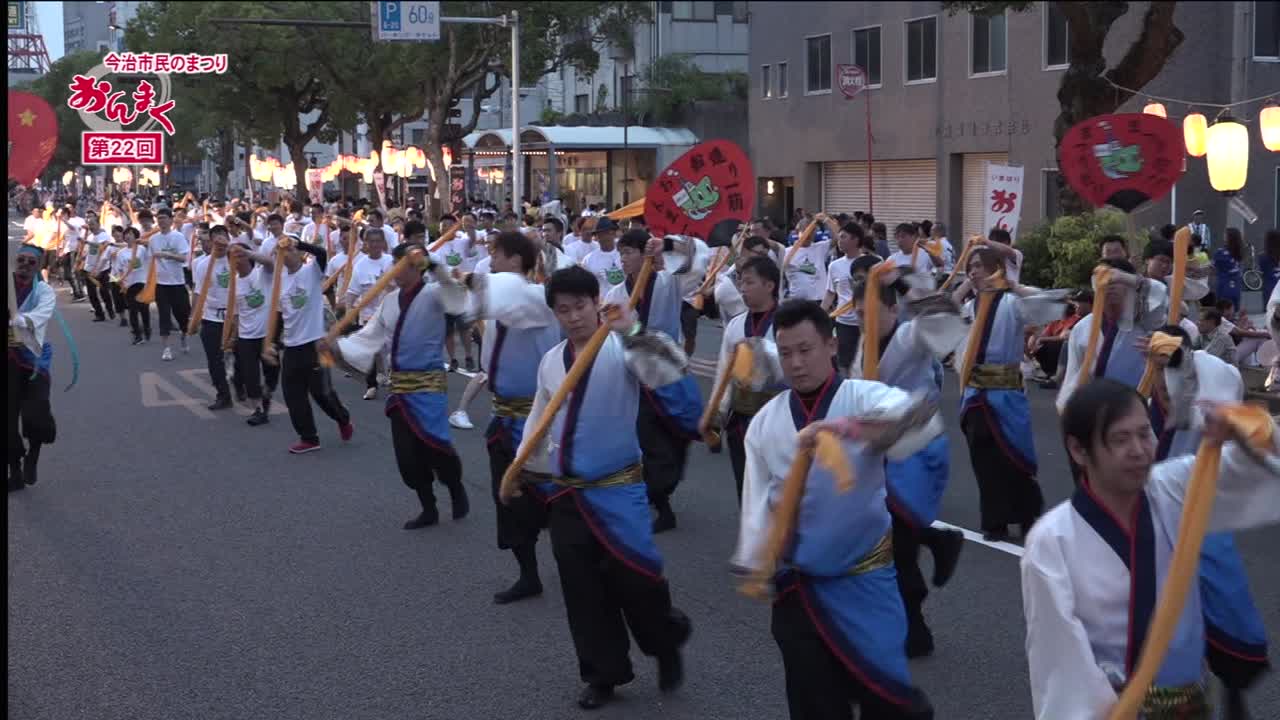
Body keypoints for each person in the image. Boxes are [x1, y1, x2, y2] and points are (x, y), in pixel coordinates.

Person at [1021, 379, 1280, 719]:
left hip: (1192, 707)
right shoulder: (1051, 541)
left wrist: (1246, 429)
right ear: (1078, 450)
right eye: (1120, 439)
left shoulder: (1173, 489)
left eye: (1145, 434)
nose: (1139, 450)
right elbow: (1061, 664)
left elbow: (1256, 470)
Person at [733, 299, 941, 720]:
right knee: (814, 704)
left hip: (865, 580)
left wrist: (846, 428)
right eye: (786, 353)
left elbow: (920, 418)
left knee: (887, 699)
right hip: (799, 588)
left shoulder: (863, 397)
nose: (796, 363)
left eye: (805, 349)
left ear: (831, 346)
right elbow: (756, 503)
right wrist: (757, 562)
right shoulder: (766, 422)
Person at [505, 264, 692, 711]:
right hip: (568, 493)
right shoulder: (552, 361)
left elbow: (669, 373)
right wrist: (521, 469)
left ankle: (665, 641)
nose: (573, 317)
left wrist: (632, 330)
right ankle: (602, 674)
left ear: (596, 303)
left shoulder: (621, 347)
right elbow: (539, 421)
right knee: (582, 590)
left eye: (581, 306)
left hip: (619, 490)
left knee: (639, 581)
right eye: (563, 309)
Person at [848, 266, 967, 659]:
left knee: (898, 544)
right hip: (879, 452)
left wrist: (903, 284)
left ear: (892, 310)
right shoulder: (864, 347)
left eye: (873, 312)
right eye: (860, 313)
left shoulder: (909, 336)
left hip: (915, 450)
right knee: (886, 534)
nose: (866, 320)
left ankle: (915, 630)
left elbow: (942, 315)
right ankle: (937, 539)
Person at [463, 231, 562, 603]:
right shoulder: (500, 303)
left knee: (556, 500)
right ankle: (528, 575)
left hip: (538, 422)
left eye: (497, 255)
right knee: (509, 501)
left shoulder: (537, 299)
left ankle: (583, 565)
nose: (490, 261)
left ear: (517, 260)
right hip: (503, 418)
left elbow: (508, 294)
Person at [954, 247, 1067, 542]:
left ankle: (1028, 516)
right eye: (970, 267)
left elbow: (1048, 304)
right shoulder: (970, 307)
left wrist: (1012, 284)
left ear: (995, 268)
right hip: (975, 393)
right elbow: (941, 311)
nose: (974, 272)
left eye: (979, 266)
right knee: (983, 459)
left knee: (1014, 456)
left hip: (1006, 393)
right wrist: (965, 285)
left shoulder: (1011, 303)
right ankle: (995, 521)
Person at [604, 231, 702, 533]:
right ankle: (660, 503)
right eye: (621, 253)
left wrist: (667, 245)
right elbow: (611, 339)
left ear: (644, 254)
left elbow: (694, 258)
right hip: (636, 379)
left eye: (629, 252)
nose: (623, 259)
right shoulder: (615, 295)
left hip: (668, 373)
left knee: (676, 437)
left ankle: (662, 489)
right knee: (647, 442)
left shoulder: (667, 282)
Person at [707, 255, 786, 498]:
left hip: (778, 418)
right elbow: (724, 371)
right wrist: (716, 412)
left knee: (778, 488)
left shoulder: (787, 322)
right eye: (741, 282)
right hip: (741, 419)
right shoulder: (735, 325)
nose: (742, 288)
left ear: (769, 285)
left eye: (749, 282)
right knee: (746, 486)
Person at [269, 233, 354, 454]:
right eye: (282, 252)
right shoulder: (279, 281)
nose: (287, 254)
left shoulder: (312, 271)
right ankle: (309, 438)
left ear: (299, 252)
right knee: (292, 394)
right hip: (292, 346)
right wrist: (273, 343)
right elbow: (279, 315)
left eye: (290, 250)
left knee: (322, 392)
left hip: (318, 343)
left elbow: (322, 253)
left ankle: (343, 418)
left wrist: (300, 243)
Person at [8, 245, 61, 492]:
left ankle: (33, 456)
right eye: (22, 260)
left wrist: (23, 320)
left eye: (32, 262)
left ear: (38, 266)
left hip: (32, 359)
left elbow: (43, 313)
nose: (25, 265)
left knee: (36, 416)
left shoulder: (43, 290)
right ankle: (15, 472)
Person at [229, 238, 279, 426]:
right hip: (246, 337)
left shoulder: (262, 274)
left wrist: (247, 251)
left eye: (239, 256)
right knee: (250, 375)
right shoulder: (234, 284)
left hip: (267, 335)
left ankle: (266, 393)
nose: (236, 260)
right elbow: (236, 313)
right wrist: (233, 337)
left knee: (273, 371)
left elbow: (269, 262)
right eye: (233, 257)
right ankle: (258, 410)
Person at [345, 228, 395, 400]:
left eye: (377, 241)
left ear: (383, 243)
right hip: (369, 315)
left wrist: (389, 285)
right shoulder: (360, 265)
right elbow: (352, 291)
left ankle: (394, 378)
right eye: (371, 241)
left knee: (393, 349)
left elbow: (401, 286)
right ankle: (371, 385)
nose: (374, 245)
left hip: (391, 313)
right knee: (370, 350)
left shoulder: (391, 261)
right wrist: (349, 310)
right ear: (365, 243)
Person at [191, 228, 235, 410]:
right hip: (211, 317)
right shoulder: (202, 265)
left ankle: (241, 385)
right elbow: (198, 291)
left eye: (223, 239)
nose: (219, 243)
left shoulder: (237, 259)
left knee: (242, 358)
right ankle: (223, 395)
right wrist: (193, 316)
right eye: (215, 240)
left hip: (236, 318)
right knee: (214, 360)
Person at [823, 222, 868, 373]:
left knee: (866, 361)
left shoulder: (872, 262)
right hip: (844, 322)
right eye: (839, 237)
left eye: (843, 237)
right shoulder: (834, 266)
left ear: (855, 239)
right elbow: (830, 293)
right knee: (844, 363)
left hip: (868, 321)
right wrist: (820, 314)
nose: (839, 241)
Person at [150, 208, 193, 361]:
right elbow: (149, 259)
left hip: (177, 283)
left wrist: (166, 254)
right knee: (164, 316)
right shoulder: (153, 239)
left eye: (163, 218)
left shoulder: (178, 237)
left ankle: (183, 336)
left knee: (183, 315)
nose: (161, 221)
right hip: (161, 284)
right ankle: (166, 348)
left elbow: (183, 258)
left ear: (170, 219)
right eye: (159, 218)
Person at [118, 227, 153, 345]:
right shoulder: (121, 253)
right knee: (132, 310)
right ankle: (137, 335)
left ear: (136, 236)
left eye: (131, 234)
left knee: (143, 308)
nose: (128, 236)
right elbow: (120, 269)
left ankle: (147, 327)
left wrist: (144, 242)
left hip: (141, 282)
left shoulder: (142, 249)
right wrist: (121, 281)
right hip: (129, 284)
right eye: (126, 234)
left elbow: (151, 251)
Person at [581, 216, 625, 297]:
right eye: (601, 234)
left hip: (625, 300)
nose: (606, 237)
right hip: (602, 302)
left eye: (609, 233)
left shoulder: (624, 254)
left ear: (614, 234)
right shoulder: (588, 260)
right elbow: (585, 286)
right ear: (597, 237)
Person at [1213, 228, 1245, 312]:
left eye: (1225, 234)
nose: (1223, 236)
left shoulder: (1220, 252)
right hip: (1236, 285)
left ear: (1229, 237)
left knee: (1222, 311)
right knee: (1234, 309)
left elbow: (1212, 268)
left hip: (1224, 285)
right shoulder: (1239, 252)